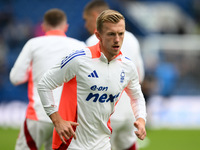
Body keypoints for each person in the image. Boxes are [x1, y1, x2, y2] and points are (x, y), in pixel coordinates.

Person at [37, 9, 147, 150]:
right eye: (111, 34)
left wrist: (141, 119)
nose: (117, 39)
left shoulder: (127, 66)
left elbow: (137, 97)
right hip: (71, 143)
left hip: (102, 144)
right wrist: (57, 120)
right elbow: (44, 85)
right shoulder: (79, 59)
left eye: (121, 34)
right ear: (98, 35)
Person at [9, 8, 86, 150]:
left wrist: (32, 72)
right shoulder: (79, 46)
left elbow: (15, 78)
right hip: (66, 117)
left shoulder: (33, 44)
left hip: (38, 114)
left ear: (43, 27)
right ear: (66, 26)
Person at [83, 0, 145, 149]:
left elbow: (86, 82)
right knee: (128, 145)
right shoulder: (131, 39)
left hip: (104, 113)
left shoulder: (92, 41)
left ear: (95, 16)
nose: (85, 25)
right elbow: (139, 76)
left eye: (86, 20)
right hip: (128, 114)